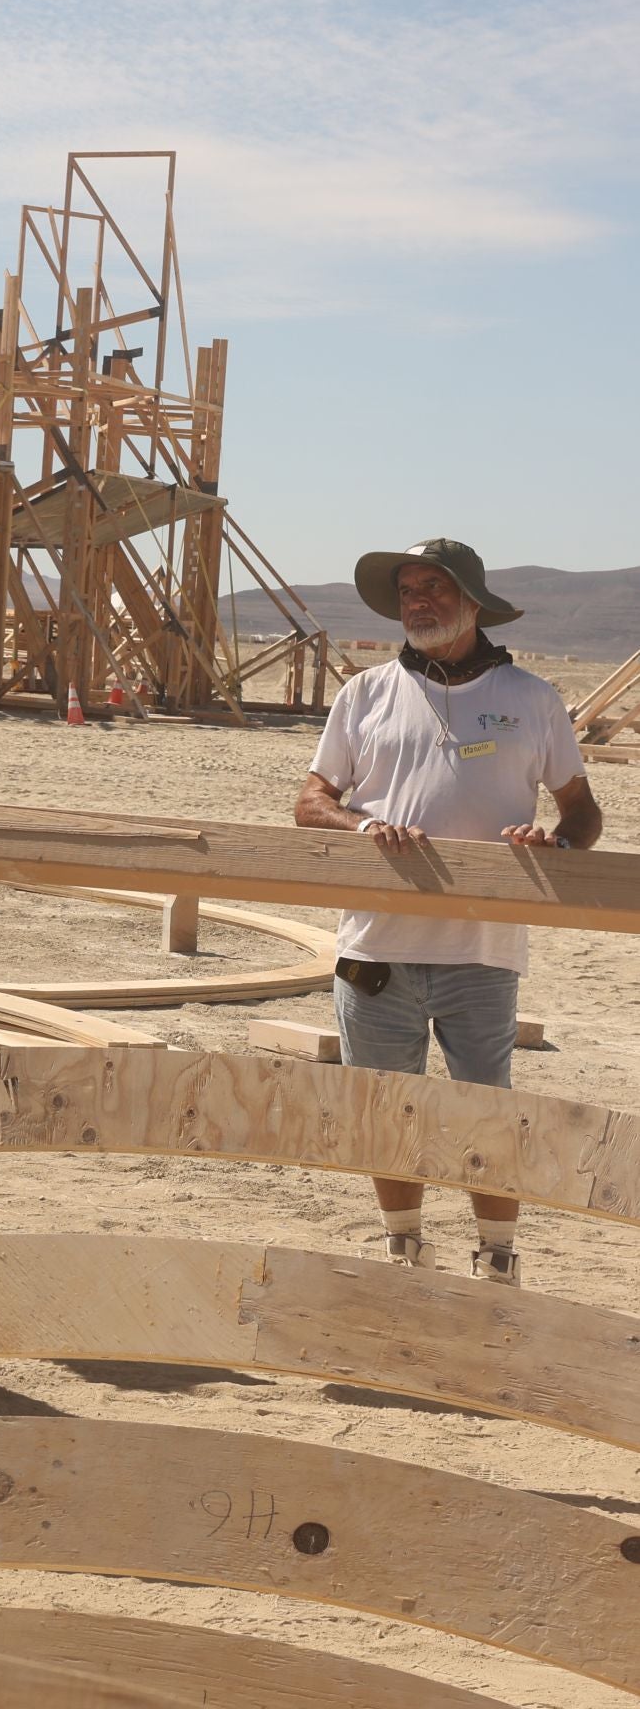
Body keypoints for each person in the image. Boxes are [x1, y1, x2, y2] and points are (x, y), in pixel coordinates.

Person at [295, 539, 602, 1286]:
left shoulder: (530, 698)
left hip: (481, 949)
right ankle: (404, 1249)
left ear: (471, 601)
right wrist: (363, 827)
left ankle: (497, 1262)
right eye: (406, 592)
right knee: (385, 1110)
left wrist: (551, 844)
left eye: (433, 588)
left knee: (484, 1113)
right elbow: (310, 802)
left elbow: (582, 814)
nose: (417, 603)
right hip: (374, 947)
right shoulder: (363, 694)